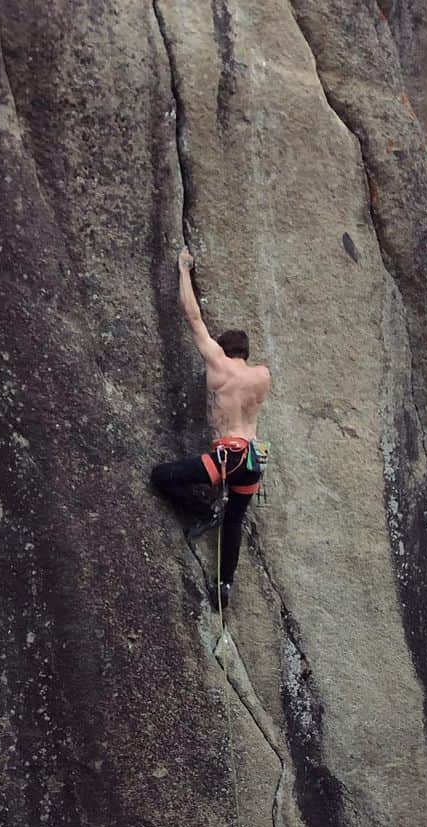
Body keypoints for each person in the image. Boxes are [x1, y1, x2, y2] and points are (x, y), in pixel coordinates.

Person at [151, 247, 272, 609]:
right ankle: (225, 587)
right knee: (235, 519)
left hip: (228, 456)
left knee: (162, 476)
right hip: (254, 459)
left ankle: (203, 511)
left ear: (223, 350)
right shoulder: (262, 376)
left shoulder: (220, 365)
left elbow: (193, 317)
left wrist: (183, 270)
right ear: (246, 353)